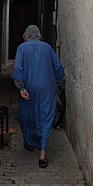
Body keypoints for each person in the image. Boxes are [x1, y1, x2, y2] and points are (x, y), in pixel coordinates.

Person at [12, 25, 65, 168]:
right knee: (46, 117)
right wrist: (58, 83)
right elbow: (58, 67)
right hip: (47, 88)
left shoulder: (22, 48)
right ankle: (42, 153)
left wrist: (21, 87)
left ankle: (29, 142)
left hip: (29, 88)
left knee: (26, 116)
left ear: (26, 34)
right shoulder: (47, 48)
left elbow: (18, 69)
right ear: (39, 34)